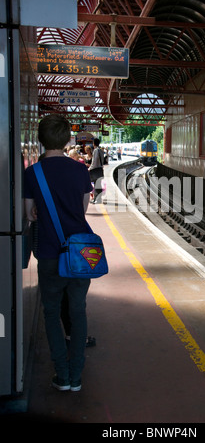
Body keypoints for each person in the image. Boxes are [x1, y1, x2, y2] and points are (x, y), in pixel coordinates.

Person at [24, 114, 93, 392]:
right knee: (78, 311)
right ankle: (76, 377)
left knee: (51, 313)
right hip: (79, 252)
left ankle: (61, 376)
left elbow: (30, 215)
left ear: (41, 140)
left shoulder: (33, 173)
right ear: (67, 140)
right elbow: (83, 209)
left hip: (50, 252)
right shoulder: (79, 170)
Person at [88, 138, 104, 204]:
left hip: (95, 170)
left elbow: (94, 162)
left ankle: (96, 199)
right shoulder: (101, 150)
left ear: (93, 143)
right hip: (100, 169)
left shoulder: (95, 150)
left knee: (96, 185)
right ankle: (98, 199)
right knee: (99, 185)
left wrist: (89, 169)